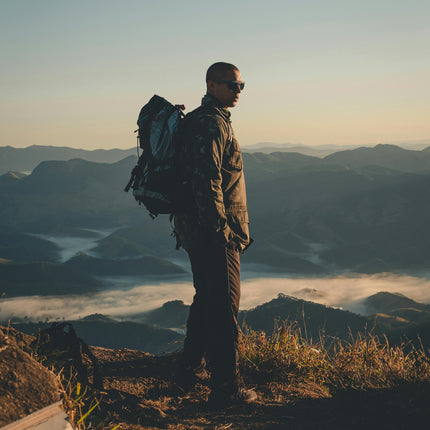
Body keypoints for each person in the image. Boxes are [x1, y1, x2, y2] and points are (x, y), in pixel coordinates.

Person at [174, 62, 256, 407]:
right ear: (211, 85)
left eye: (241, 85)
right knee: (224, 305)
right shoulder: (211, 123)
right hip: (213, 231)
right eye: (231, 85)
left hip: (196, 228)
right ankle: (226, 387)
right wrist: (222, 229)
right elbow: (207, 181)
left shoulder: (203, 119)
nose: (238, 91)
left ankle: (188, 371)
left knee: (206, 296)